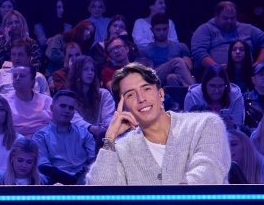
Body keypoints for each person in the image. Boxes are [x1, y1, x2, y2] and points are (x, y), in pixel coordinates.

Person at [88, 63, 230, 185]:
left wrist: (170, 200)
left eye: (146, 89)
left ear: (161, 95)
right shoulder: (121, 149)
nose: (141, 99)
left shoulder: (206, 124)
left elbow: (208, 171)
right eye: (130, 95)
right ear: (123, 107)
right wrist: (110, 138)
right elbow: (99, 191)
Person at [33, 90, 96, 185]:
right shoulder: (40, 136)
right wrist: (72, 181)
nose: (67, 111)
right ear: (52, 108)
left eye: (71, 108)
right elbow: (43, 167)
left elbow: (94, 160)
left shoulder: (84, 133)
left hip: (85, 180)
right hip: (56, 183)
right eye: (63, 106)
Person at [191, 1, 264, 69]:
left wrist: (259, 64)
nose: (229, 21)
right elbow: (199, 52)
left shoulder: (247, 28)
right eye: (225, 18)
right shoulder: (205, 29)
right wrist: (216, 68)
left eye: (232, 18)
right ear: (216, 16)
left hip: (245, 73)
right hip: (213, 74)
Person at [67, 55, 115, 139]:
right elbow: (73, 118)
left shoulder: (104, 94)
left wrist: (106, 127)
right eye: (85, 69)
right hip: (78, 137)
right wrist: (91, 128)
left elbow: (109, 116)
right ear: (77, 72)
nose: (90, 73)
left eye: (92, 70)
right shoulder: (69, 96)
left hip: (104, 136)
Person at [140, 13, 194, 87]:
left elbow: (189, 67)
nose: (162, 33)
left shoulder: (181, 46)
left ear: (168, 28)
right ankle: (193, 91)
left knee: (172, 77)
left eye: (164, 29)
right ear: (152, 30)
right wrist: (169, 65)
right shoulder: (145, 51)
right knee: (177, 61)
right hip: (156, 79)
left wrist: (172, 65)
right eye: (158, 30)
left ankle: (184, 93)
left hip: (176, 79)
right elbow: (146, 75)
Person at [185, 64, 244, 130]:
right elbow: (189, 127)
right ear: (205, 85)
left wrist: (233, 126)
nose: (217, 90)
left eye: (221, 86)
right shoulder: (193, 96)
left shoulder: (235, 96)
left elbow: (238, 125)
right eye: (212, 86)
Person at [5, 64, 53, 136]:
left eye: (22, 76)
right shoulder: (5, 102)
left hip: (45, 139)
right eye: (15, 76)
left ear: (32, 81)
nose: (17, 78)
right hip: (15, 140)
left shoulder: (47, 101)